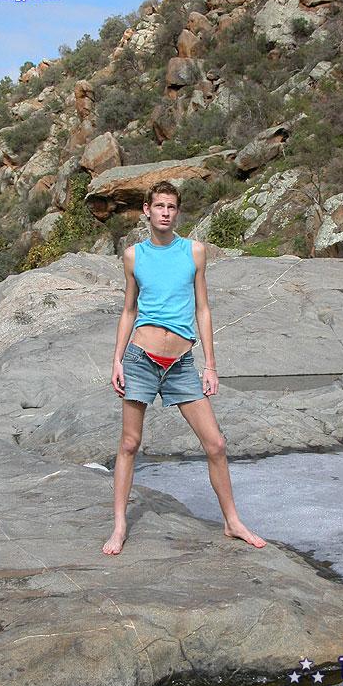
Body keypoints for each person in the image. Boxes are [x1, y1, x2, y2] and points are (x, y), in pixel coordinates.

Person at [103, 180, 267, 555]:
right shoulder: (133, 256)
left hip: (181, 364)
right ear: (147, 211)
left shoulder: (194, 251)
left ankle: (232, 521)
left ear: (177, 212)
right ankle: (119, 525)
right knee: (129, 443)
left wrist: (210, 365)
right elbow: (128, 311)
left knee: (216, 444)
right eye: (159, 206)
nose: (165, 212)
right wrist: (116, 360)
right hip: (141, 359)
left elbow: (203, 309)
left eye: (171, 207)